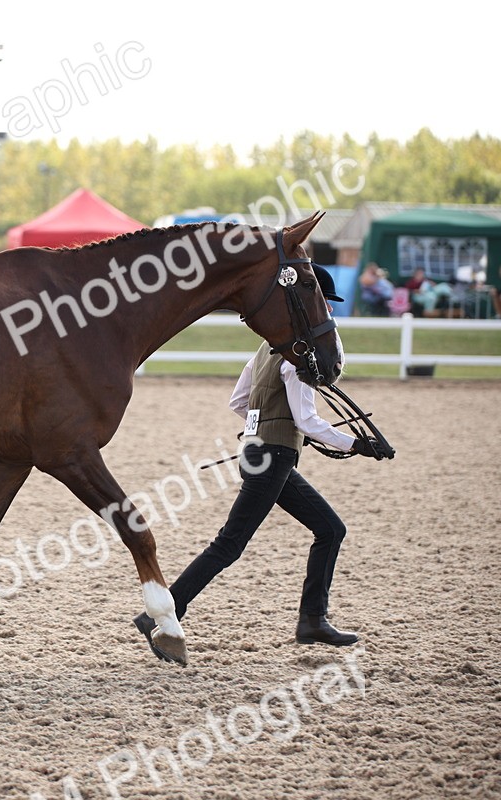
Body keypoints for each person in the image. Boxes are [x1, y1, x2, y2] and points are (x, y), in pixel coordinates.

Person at [133, 265, 388, 658]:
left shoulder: (265, 349)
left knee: (330, 529)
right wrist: (356, 444)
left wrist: (264, 429)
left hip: (260, 453)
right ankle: (165, 613)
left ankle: (312, 620)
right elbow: (307, 420)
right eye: (324, 305)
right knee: (230, 544)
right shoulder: (297, 358)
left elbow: (239, 401)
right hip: (275, 456)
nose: (329, 313)